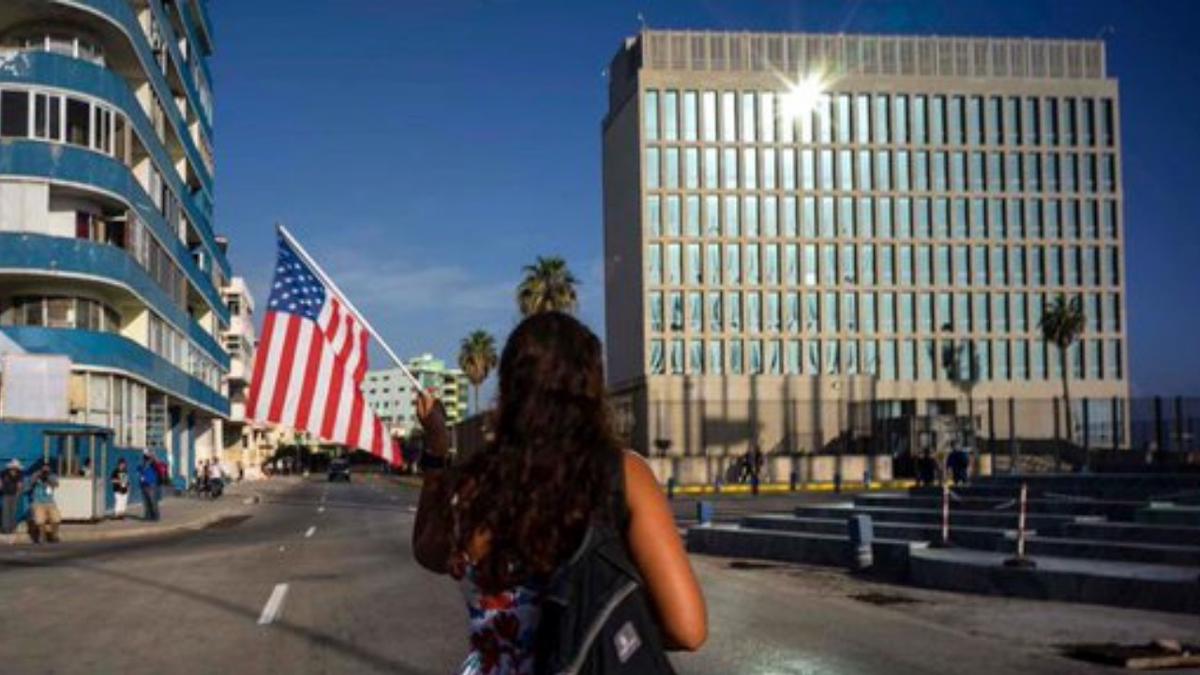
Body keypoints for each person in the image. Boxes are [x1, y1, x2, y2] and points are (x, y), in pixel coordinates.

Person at [412, 312, 707, 672]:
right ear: (590, 390)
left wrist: (437, 449)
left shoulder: (471, 486)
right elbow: (687, 629)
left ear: (508, 389)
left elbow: (427, 552)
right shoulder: (621, 475)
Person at [27, 465, 61, 543]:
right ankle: (42, 537)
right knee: (40, 520)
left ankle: (54, 535)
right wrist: (37, 477)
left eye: (47, 470)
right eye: (44, 470)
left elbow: (56, 484)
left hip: (50, 502)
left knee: (56, 518)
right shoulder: (36, 475)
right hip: (38, 502)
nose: (45, 472)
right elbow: (29, 484)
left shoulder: (52, 476)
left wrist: (48, 478)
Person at [1, 459, 23, 534]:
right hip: (6, 494)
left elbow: (19, 485)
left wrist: (18, 494)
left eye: (16, 467)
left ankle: (12, 528)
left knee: (13, 512)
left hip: (14, 495)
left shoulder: (19, 474)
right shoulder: (4, 473)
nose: (15, 468)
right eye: (14, 466)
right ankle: (5, 529)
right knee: (5, 512)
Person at [139, 453, 160, 521]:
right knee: (146, 502)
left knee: (153, 501)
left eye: (147, 458)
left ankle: (155, 516)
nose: (146, 460)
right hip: (144, 485)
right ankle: (148, 516)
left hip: (151, 485)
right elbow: (140, 472)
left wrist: (153, 457)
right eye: (145, 458)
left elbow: (157, 463)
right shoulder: (142, 466)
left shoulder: (153, 465)